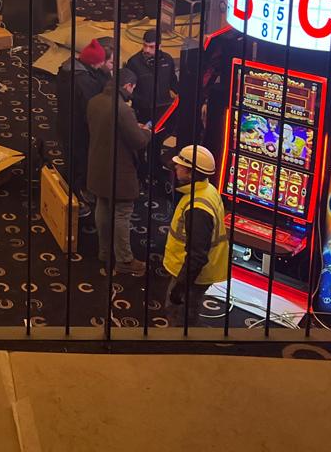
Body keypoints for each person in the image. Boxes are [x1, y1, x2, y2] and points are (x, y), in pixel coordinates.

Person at [86, 68, 152, 276]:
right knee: (122, 214)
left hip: (97, 166)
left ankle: (105, 252)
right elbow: (138, 141)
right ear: (128, 86)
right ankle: (124, 260)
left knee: (103, 207)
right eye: (133, 88)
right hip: (119, 172)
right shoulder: (123, 110)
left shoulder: (94, 101)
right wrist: (146, 131)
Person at [162, 145, 229, 325]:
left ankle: (179, 350)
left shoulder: (197, 208)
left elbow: (197, 256)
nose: (175, 167)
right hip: (195, 272)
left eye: (180, 165)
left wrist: (180, 288)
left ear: (191, 173)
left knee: (180, 317)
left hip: (192, 275)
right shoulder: (208, 190)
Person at [55, 38, 111, 201]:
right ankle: (77, 195)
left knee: (71, 158)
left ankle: (67, 189)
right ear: (94, 62)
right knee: (81, 162)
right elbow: (92, 108)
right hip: (79, 128)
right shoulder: (84, 81)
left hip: (65, 123)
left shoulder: (67, 69)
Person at [126, 29, 177, 124]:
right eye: (145, 45)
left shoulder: (168, 60)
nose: (146, 50)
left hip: (163, 110)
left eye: (151, 47)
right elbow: (128, 89)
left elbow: (173, 82)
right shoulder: (133, 62)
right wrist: (142, 102)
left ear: (159, 46)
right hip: (142, 112)